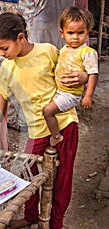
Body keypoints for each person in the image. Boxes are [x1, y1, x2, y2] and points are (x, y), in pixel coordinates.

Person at [0, 13, 88, 229]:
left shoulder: (49, 52)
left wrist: (83, 76)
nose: (0, 54)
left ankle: (56, 227)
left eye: (4, 47)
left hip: (64, 124)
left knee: (62, 178)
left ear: (20, 38)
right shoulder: (6, 69)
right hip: (35, 130)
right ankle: (32, 216)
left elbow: (73, 77)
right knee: (28, 175)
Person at [43, 6, 98, 147]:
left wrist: (88, 96)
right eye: (70, 32)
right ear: (62, 33)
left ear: (87, 33)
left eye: (80, 33)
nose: (75, 37)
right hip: (59, 91)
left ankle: (56, 136)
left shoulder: (87, 52)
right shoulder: (63, 50)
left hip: (70, 94)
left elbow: (93, 74)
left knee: (47, 111)